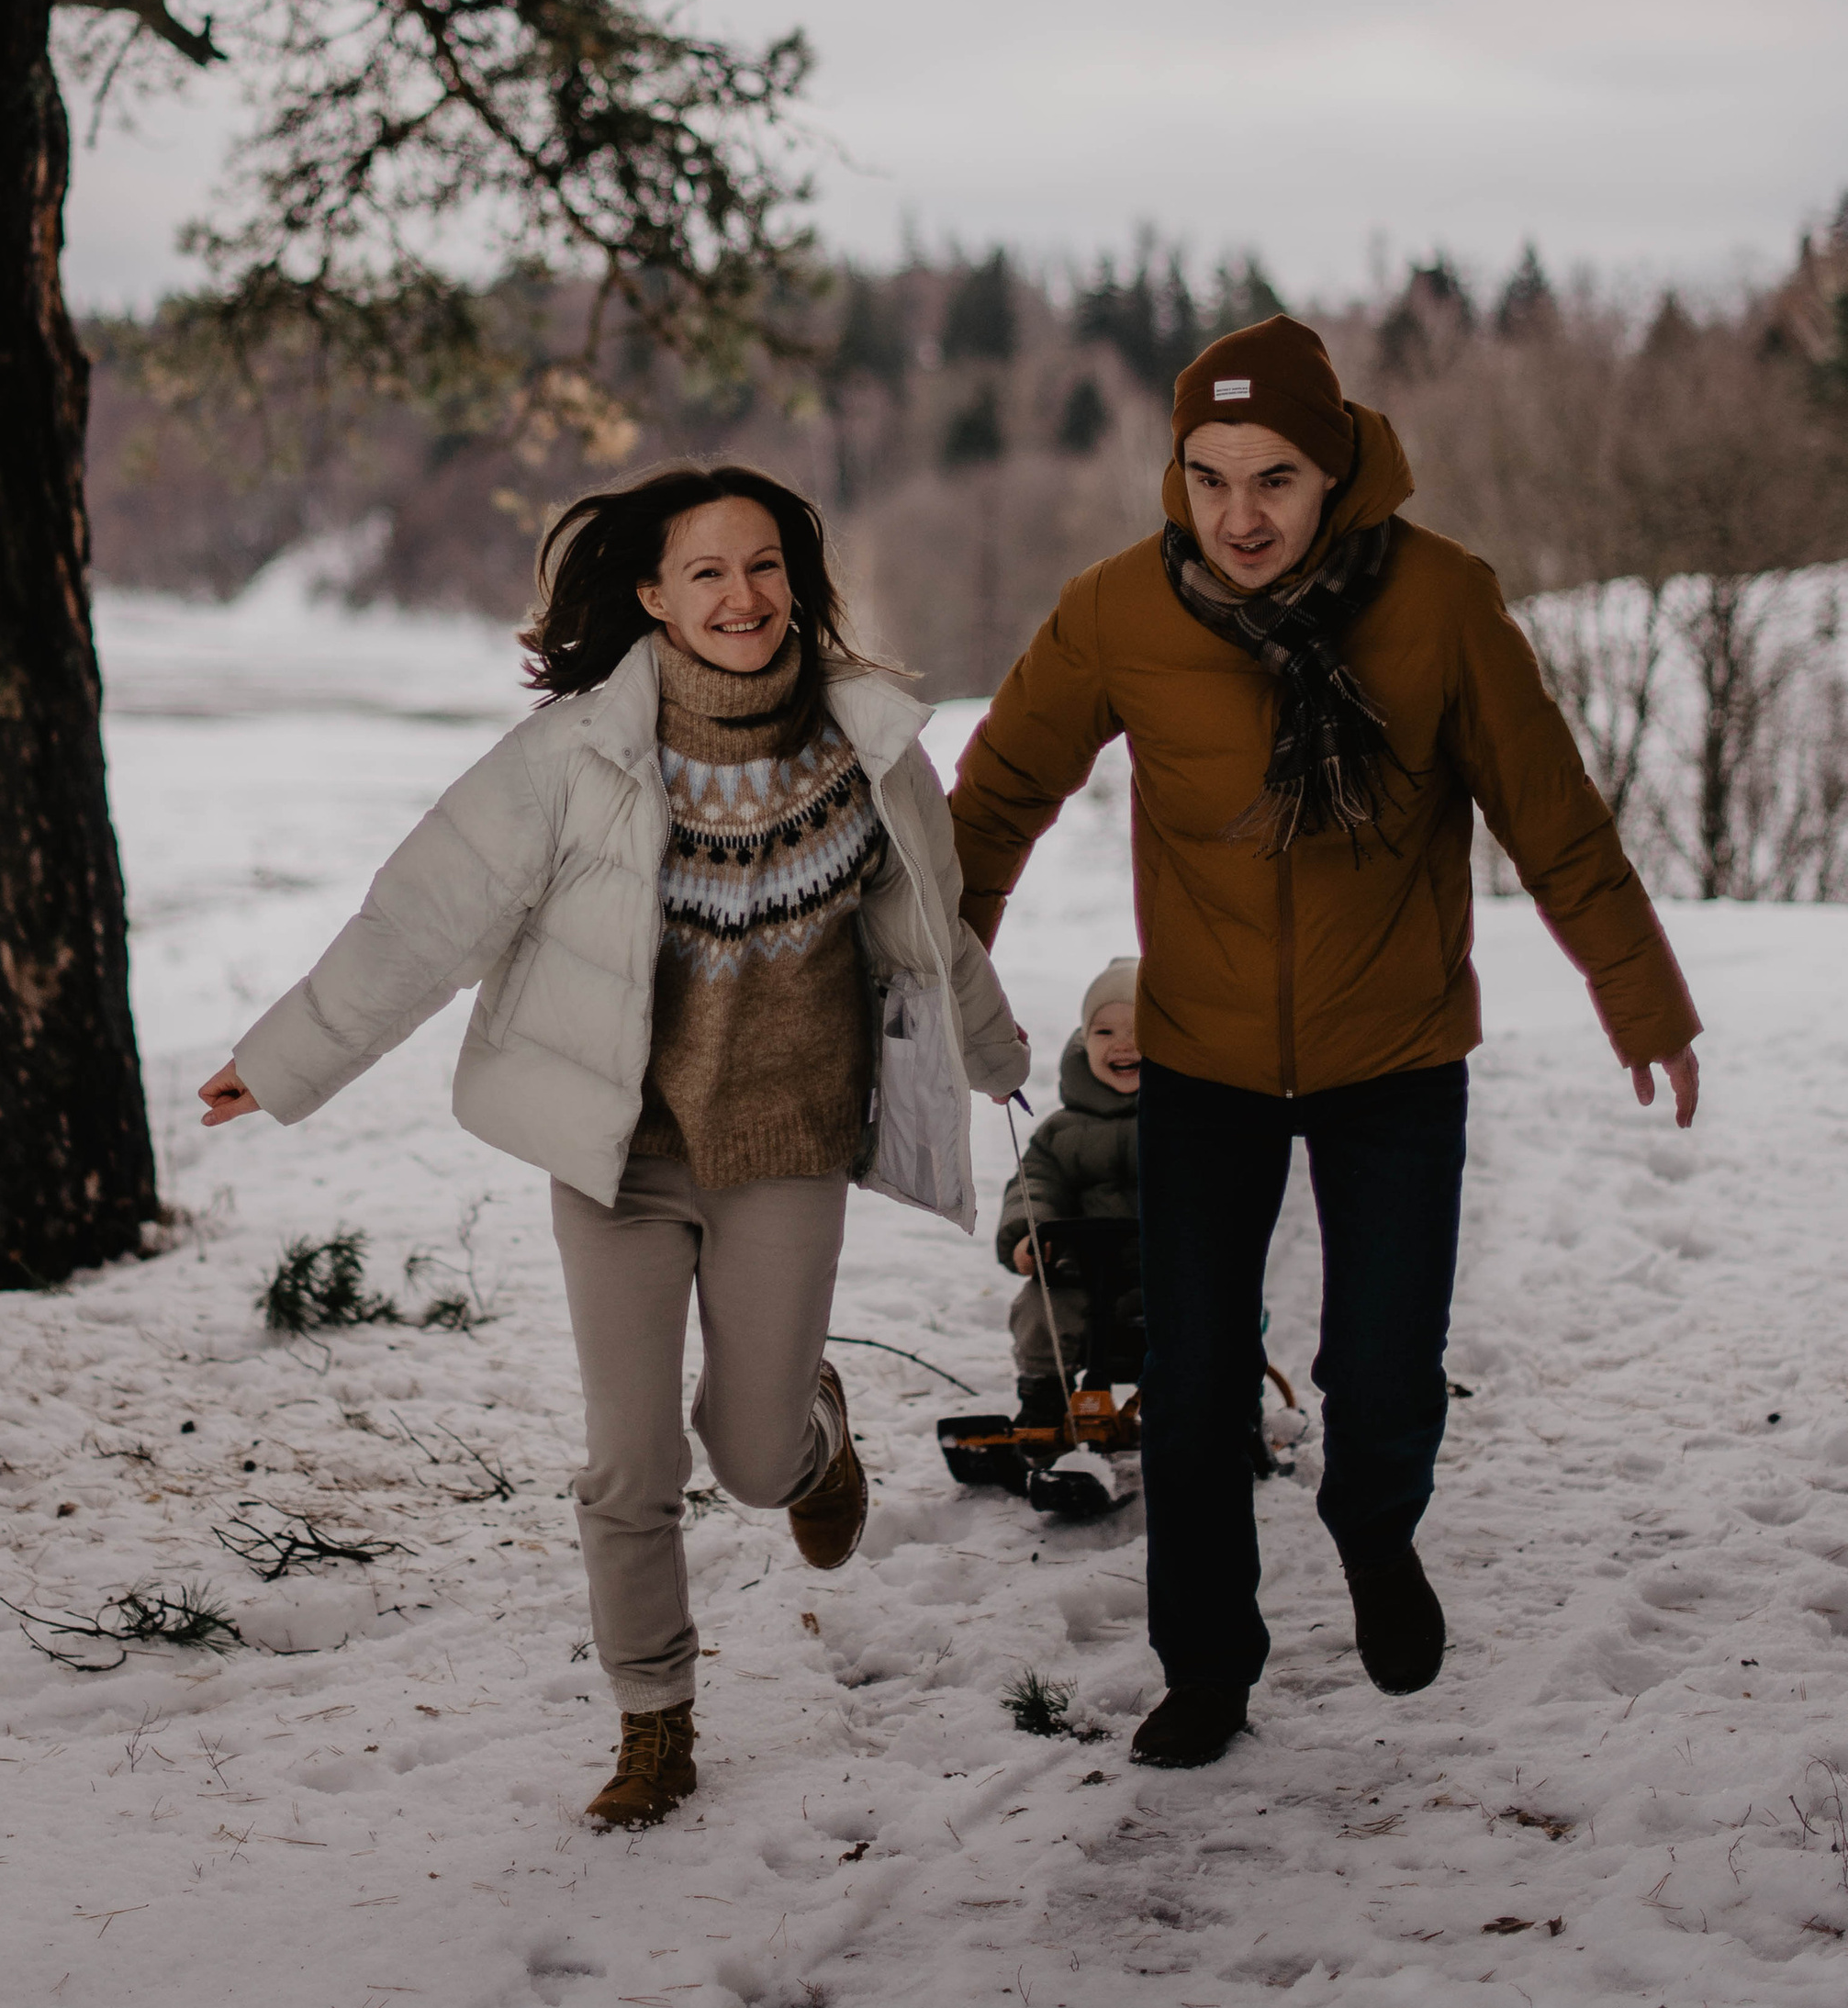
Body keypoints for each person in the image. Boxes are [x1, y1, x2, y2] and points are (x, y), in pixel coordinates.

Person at [199, 462, 1025, 1831]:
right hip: (621, 1154)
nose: (741, 596)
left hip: (787, 1147)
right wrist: (288, 1056)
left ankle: (812, 1435)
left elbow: (928, 932)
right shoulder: (576, 757)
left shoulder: (868, 747)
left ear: (797, 582)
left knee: (750, 1460)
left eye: (763, 566)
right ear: (653, 594)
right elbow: (422, 919)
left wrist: (995, 1064)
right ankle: (655, 1719)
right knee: (629, 1461)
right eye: (705, 572)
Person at [947, 315, 1701, 1772]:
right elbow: (998, 791)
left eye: (1277, 478)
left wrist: (1644, 998)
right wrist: (939, 972)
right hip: (1206, 1058)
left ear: (1338, 468)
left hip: (1398, 1050)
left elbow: (1554, 815)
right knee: (1200, 1375)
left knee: (1386, 1365)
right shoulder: (1120, 610)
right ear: (1178, 475)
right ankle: (1209, 1670)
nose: (1241, 515)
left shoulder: (1439, 602)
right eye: (1212, 476)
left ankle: (1372, 1525)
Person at [996, 956, 1144, 1429]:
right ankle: (1044, 1401)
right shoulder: (1061, 1132)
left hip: (1167, 1278)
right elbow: (1034, 1184)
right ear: (1083, 1041)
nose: (1122, 1045)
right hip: (1080, 1274)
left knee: (1204, 1321)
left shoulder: (1185, 1126)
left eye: (1139, 1030)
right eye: (1104, 1033)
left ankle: (1216, 1408)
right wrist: (1028, 1234)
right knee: (1038, 1310)